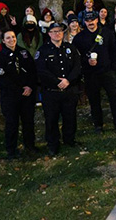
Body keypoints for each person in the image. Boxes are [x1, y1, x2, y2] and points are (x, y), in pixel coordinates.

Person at [72, 11, 116, 135]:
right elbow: (76, 57)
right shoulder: (79, 38)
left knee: (115, 99)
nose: (90, 23)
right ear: (84, 22)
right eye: (88, 20)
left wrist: (113, 69)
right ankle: (98, 125)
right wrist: (86, 62)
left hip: (107, 72)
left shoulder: (107, 33)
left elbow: (114, 51)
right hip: (91, 74)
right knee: (94, 100)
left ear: (97, 20)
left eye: (93, 20)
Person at [35, 23, 81, 156]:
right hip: (51, 92)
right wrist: (57, 82)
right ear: (49, 34)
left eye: (60, 31)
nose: (57, 34)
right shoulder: (43, 50)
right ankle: (53, 144)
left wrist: (68, 80)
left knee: (70, 117)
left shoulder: (70, 48)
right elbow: (41, 71)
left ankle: (69, 139)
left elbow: (77, 66)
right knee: (51, 119)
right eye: (54, 31)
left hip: (69, 90)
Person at [0, 30, 37, 159]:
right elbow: (2, 78)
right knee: (12, 123)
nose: (11, 40)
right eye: (8, 38)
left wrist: (30, 86)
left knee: (28, 121)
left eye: (13, 37)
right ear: (3, 41)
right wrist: (19, 90)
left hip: (27, 95)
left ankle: (30, 145)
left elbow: (32, 71)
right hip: (10, 96)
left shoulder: (23, 53)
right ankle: (11, 150)